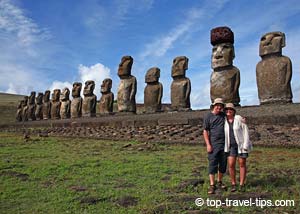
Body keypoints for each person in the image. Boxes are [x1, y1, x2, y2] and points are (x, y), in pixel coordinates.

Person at [224, 103, 252, 192]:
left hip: (241, 145)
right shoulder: (223, 120)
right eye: (227, 109)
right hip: (230, 146)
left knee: (242, 164)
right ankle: (233, 183)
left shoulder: (239, 119)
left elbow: (245, 132)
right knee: (231, 164)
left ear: (234, 111)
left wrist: (245, 145)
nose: (228, 111)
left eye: (230, 109)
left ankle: (242, 184)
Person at [203, 98, 227, 194]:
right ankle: (212, 184)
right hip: (213, 144)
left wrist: (242, 120)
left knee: (223, 164)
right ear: (213, 106)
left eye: (220, 106)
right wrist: (208, 144)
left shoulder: (223, 115)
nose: (219, 107)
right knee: (212, 164)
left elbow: (232, 117)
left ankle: (219, 181)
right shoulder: (208, 116)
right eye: (217, 105)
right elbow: (205, 131)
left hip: (224, 144)